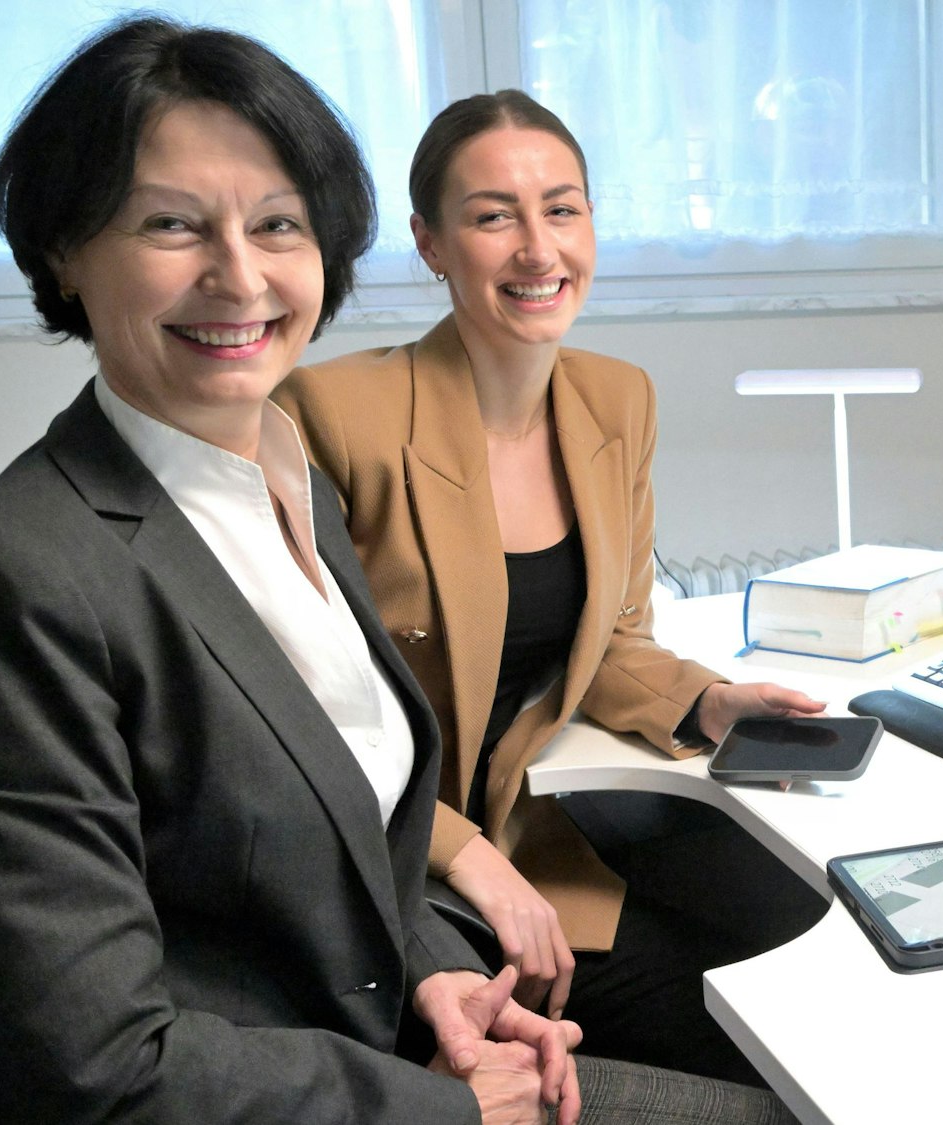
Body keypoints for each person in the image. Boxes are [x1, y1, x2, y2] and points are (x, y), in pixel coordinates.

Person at [0, 19, 758, 1125]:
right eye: (171, 224)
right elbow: (96, 1068)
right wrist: (446, 1107)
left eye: (278, 225)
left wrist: (439, 969)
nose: (239, 275)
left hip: (398, 1037)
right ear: (66, 248)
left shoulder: (283, 476)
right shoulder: (4, 579)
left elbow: (348, 817)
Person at [274, 92, 825, 1087]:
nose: (537, 250)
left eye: (561, 210)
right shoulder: (331, 414)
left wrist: (705, 700)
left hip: (535, 853)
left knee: (797, 981)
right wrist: (468, 860)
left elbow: (611, 643)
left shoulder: (615, 399)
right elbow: (296, 717)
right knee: (749, 1053)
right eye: (493, 217)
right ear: (431, 244)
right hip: (392, 877)